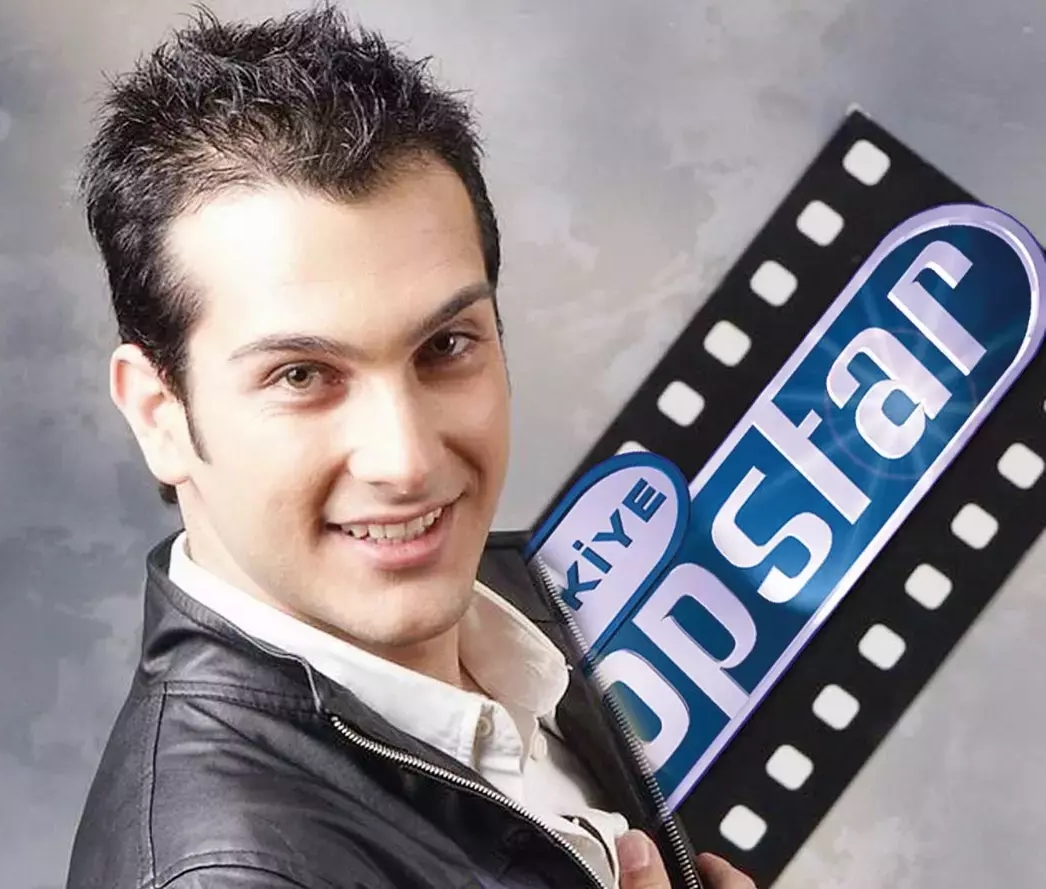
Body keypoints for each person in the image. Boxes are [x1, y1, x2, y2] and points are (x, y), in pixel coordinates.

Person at [66, 6, 755, 888]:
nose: (408, 461)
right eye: (302, 376)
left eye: (446, 345)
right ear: (159, 412)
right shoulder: (229, 874)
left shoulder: (524, 602)